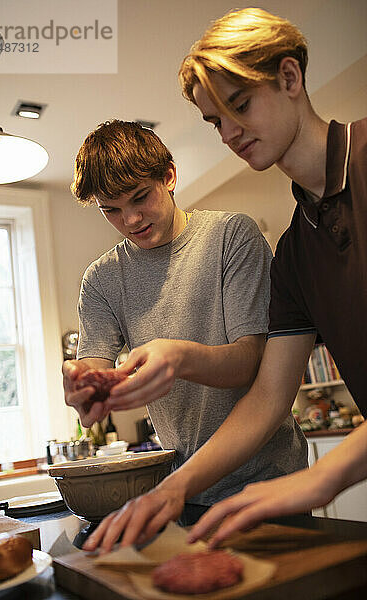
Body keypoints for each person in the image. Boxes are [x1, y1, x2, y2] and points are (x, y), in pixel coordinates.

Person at [83, 7, 367, 552]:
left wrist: (321, 476)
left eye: (240, 105)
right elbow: (266, 397)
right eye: (215, 121)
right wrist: (177, 489)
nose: (230, 133)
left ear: (290, 78)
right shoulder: (294, 255)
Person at [63, 118, 307, 541]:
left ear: (169, 175)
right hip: (184, 488)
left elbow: (251, 363)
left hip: (271, 481)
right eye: (112, 210)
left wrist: (178, 358)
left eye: (140, 197)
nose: (132, 218)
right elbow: (93, 376)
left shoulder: (232, 236)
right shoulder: (101, 280)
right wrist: (87, 393)